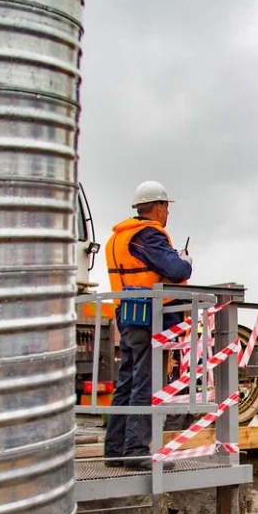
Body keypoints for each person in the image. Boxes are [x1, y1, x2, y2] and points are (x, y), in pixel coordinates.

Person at [104, 181, 192, 469]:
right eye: (167, 208)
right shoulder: (148, 235)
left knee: (127, 380)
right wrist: (185, 260)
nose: (168, 214)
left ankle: (116, 450)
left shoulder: (117, 238)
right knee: (146, 380)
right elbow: (175, 270)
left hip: (129, 315)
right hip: (150, 316)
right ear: (159, 207)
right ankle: (136, 451)